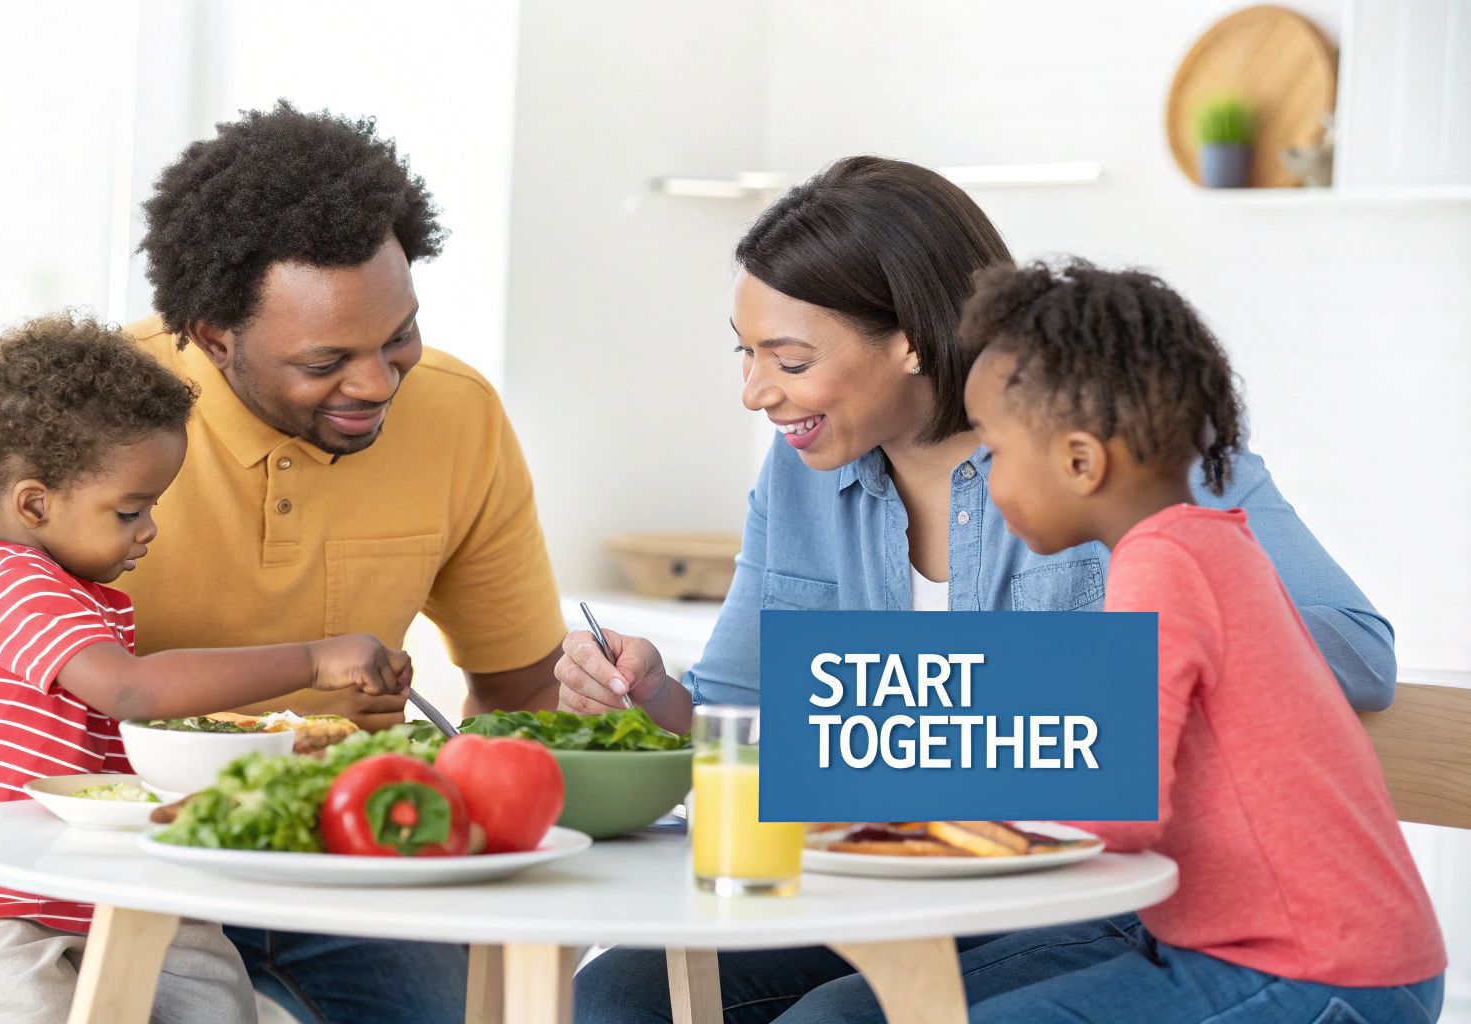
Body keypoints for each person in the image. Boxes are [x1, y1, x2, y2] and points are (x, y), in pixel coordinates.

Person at [563, 157, 1400, 1023]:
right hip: (904, 878)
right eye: (746, 353)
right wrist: (652, 694)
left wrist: (967, 691)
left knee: (838, 1020)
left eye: (790, 357)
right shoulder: (802, 472)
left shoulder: (1124, 458)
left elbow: (1358, 652)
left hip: (1101, 902)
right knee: (619, 995)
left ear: (912, 339)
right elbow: (741, 725)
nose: (755, 392)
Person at [0, 102, 564, 1023]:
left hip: (341, 860)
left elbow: (519, 689)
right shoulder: (88, 427)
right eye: (327, 360)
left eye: (398, 337)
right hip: (114, 860)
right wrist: (81, 702)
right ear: (214, 335)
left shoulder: (460, 417)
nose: (379, 382)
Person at [923, 259, 1440, 1022]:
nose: (985, 482)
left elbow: (1116, 811)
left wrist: (934, 805)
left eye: (993, 452)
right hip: (1292, 956)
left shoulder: (1164, 565)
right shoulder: (1205, 547)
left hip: (1318, 973)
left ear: (1079, 460)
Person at [0, 315, 414, 1024]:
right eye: (131, 510)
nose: (149, 529)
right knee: (28, 1008)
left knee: (212, 988)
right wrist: (314, 658)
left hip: (85, 874)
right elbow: (129, 689)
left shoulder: (80, 596)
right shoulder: (6, 583)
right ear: (35, 503)